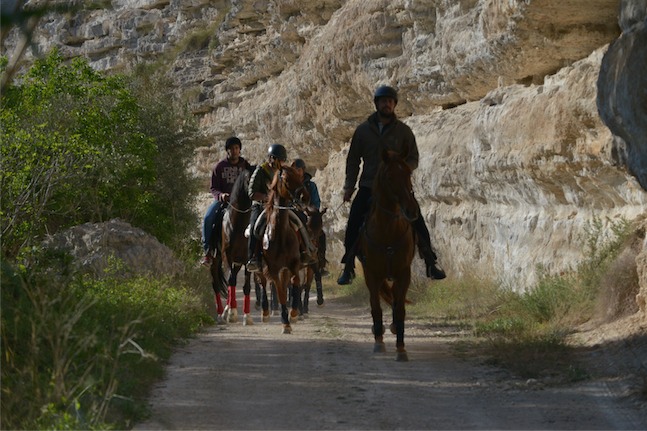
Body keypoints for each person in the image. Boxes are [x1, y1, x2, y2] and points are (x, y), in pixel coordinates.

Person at [337, 85, 446, 285]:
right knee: (353, 220)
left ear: (394, 104)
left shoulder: (404, 131)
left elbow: (413, 157)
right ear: (377, 104)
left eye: (390, 101)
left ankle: (430, 261)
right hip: (370, 185)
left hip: (396, 188)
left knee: (416, 216)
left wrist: (401, 168)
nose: (387, 104)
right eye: (383, 100)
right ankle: (349, 265)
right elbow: (353, 160)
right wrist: (349, 187)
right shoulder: (362, 131)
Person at [201, 137, 250, 266]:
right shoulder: (220, 167)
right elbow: (213, 188)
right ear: (227, 151)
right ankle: (208, 251)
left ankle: (259, 251)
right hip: (225, 201)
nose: (234, 151)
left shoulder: (245, 165)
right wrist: (221, 195)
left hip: (242, 202)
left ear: (239, 150)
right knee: (208, 218)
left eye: (236, 148)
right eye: (231, 149)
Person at [246, 144, 288, 272]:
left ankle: (305, 251)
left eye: (282, 160)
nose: (280, 163)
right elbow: (252, 193)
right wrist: (267, 197)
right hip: (261, 206)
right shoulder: (260, 171)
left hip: (280, 206)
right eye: (278, 159)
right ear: (271, 158)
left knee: (299, 223)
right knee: (255, 227)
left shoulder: (283, 172)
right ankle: (253, 257)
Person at [293, 158, 329, 276]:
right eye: (294, 170)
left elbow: (316, 203)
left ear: (303, 170)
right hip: (292, 214)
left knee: (321, 235)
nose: (296, 172)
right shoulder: (289, 183)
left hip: (308, 215)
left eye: (298, 170)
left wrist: (307, 209)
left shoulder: (311, 185)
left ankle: (321, 262)